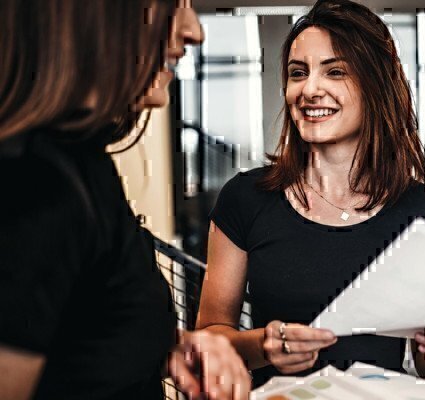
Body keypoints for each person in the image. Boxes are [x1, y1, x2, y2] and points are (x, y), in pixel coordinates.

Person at [197, 0, 425, 388]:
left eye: (335, 71)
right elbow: (209, 336)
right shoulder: (246, 199)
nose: (310, 89)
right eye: (298, 73)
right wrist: (263, 345)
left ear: (376, 86)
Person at [0, 1, 250, 399]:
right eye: (171, 4)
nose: (193, 31)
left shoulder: (84, 163)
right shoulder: (34, 183)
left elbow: (74, 338)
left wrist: (163, 345)